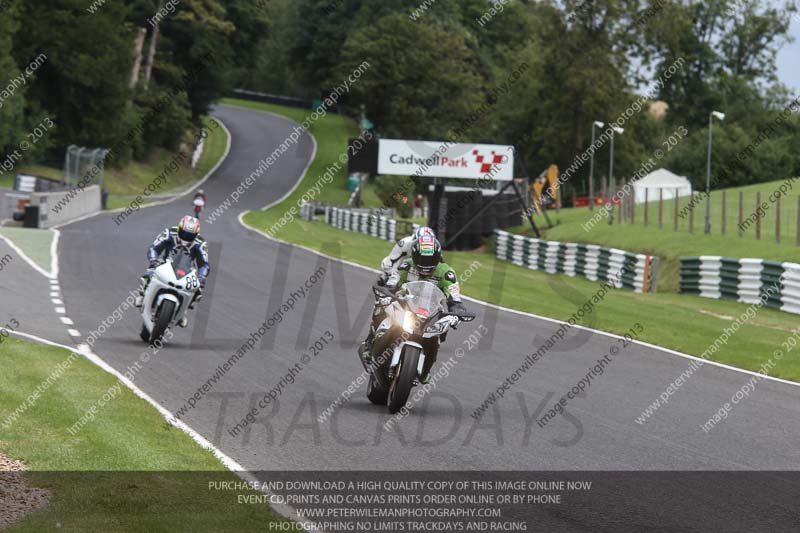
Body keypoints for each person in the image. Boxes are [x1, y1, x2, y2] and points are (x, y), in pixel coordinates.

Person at [360, 234, 468, 384]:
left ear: (437, 256)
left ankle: (425, 371)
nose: (426, 264)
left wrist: (458, 310)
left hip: (431, 311)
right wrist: (388, 293)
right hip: (406, 305)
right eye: (422, 259)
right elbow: (392, 283)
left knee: (441, 330)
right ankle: (369, 344)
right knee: (381, 306)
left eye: (430, 260)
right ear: (415, 255)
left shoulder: (446, 272)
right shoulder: (405, 265)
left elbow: (455, 297)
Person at [134, 216, 210, 328]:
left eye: (190, 235)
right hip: (164, 264)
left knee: (198, 290)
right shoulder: (169, 233)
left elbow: (204, 264)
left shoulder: (201, 243)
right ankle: (143, 294)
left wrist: (202, 277)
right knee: (150, 273)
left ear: (195, 234)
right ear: (179, 229)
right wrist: (154, 260)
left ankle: (183, 312)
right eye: (184, 233)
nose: (186, 237)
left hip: (186, 270)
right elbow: (154, 248)